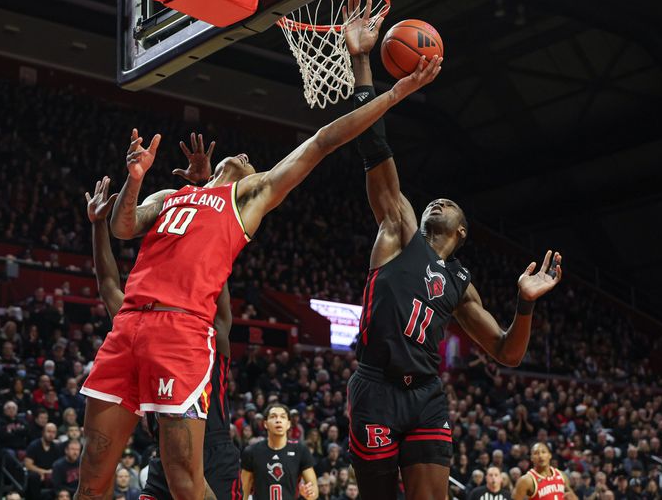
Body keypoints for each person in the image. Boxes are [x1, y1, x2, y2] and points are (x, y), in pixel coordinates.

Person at [75, 53, 441, 500]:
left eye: (253, 162)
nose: (247, 157)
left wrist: (394, 93)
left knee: (185, 483)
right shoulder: (174, 193)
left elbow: (324, 141)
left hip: (181, 331)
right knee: (92, 474)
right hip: (128, 325)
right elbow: (123, 227)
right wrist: (135, 179)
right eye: (243, 158)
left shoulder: (247, 198)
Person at [339, 0, 561, 500]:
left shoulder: (460, 284)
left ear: (462, 233)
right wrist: (361, 61)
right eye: (434, 200)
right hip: (375, 386)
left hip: (426, 397)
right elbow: (373, 147)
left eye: (449, 204)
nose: (438, 201)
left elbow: (507, 352)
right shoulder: (399, 229)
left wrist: (525, 303)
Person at [83, 176, 242, 499]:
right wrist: (98, 224)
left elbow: (216, 268)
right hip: (165, 453)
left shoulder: (215, 333)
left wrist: (205, 207)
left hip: (215, 452)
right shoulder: (139, 322)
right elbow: (109, 286)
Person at [241, 404, 318, 500]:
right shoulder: (251, 451)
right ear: (265, 424)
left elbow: (314, 490)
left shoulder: (300, 450)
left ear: (288, 424)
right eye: (273, 417)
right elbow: (243, 490)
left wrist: (309, 494)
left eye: (283, 417)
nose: (278, 420)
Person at [24, 423, 61, 499]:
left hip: (51, 472)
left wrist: (52, 472)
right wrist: (43, 472)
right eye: (49, 431)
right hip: (37, 472)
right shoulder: (34, 445)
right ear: (43, 432)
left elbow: (59, 463)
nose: (51, 434)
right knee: (34, 477)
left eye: (54, 432)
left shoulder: (56, 447)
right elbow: (28, 464)